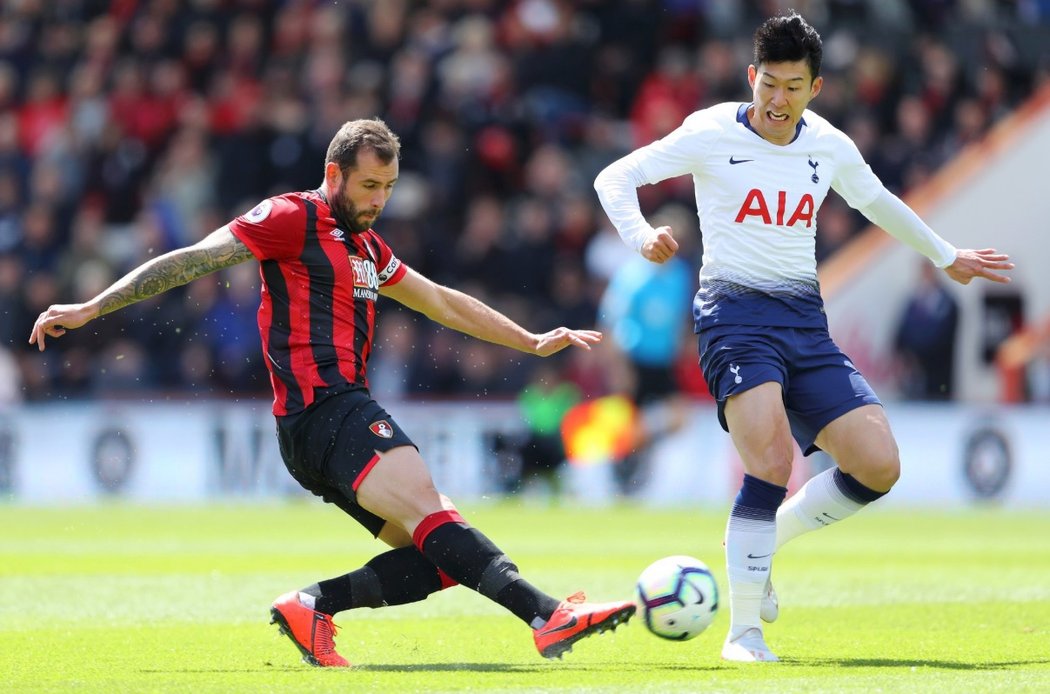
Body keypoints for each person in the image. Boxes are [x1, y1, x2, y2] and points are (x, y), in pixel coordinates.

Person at [30, 118, 635, 667]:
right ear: (334, 173)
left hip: (320, 425)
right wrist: (94, 306)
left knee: (444, 557)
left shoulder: (370, 248)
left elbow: (443, 302)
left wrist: (529, 341)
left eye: (389, 188)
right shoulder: (291, 218)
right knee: (434, 511)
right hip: (326, 409)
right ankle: (549, 615)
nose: (379, 201)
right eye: (369, 186)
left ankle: (311, 605)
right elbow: (194, 259)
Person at [593, 12, 1013, 662]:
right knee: (770, 460)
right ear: (751, 77)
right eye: (769, 85)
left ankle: (772, 542)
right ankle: (743, 634)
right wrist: (642, 236)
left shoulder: (829, 145)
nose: (778, 101)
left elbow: (876, 202)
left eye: (793, 87)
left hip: (803, 322)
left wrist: (943, 253)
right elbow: (613, 177)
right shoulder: (709, 130)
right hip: (732, 315)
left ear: (815, 88)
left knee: (879, 465)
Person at [893, 260, 960, 400]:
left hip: (937, 371)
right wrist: (904, 353)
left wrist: (920, 352)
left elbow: (943, 336)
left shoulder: (946, 302)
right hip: (913, 371)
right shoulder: (915, 300)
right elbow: (902, 330)